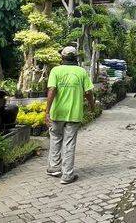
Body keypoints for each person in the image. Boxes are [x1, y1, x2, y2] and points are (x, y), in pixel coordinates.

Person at [45, 46, 95, 184]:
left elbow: (52, 90)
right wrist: (92, 106)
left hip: (57, 112)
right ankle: (67, 175)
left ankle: (54, 168)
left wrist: (47, 111)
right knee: (69, 143)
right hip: (74, 113)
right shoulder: (81, 72)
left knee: (55, 138)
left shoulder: (56, 70)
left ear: (62, 57)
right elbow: (88, 93)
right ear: (76, 57)